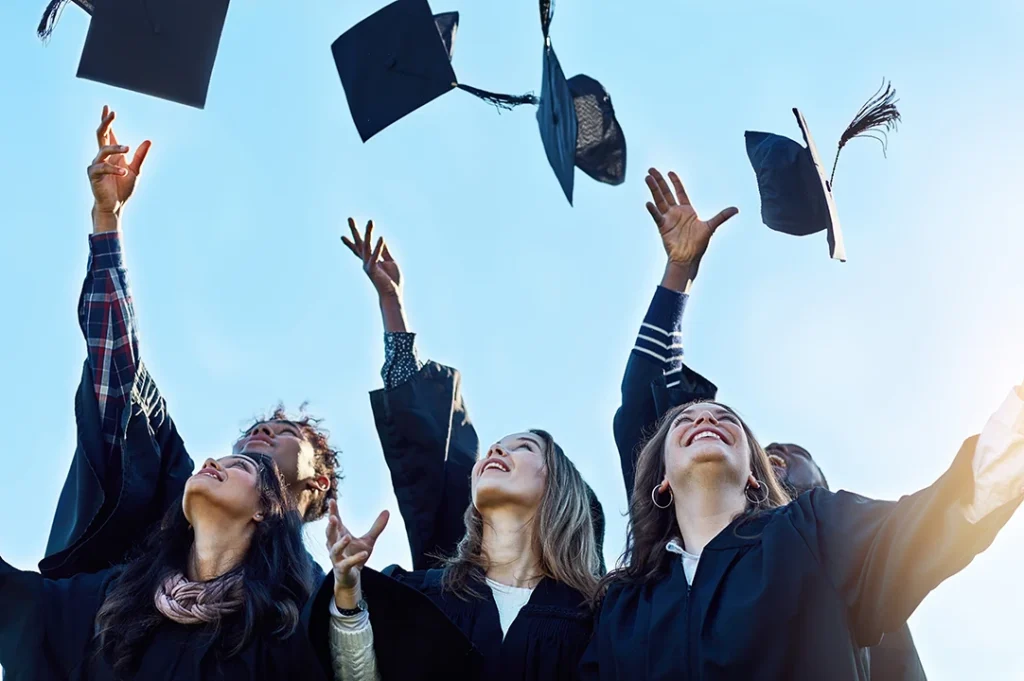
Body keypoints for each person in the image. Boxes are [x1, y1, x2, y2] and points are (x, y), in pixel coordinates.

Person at [613, 167, 926, 680]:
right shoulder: (662, 572)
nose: (775, 458)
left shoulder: (848, 567)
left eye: (792, 461)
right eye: (770, 452)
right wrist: (679, 275)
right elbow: (645, 415)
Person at [42, 106, 341, 581]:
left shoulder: (318, 602)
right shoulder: (176, 501)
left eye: (286, 434)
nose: (262, 432)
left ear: (316, 482)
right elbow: (118, 369)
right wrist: (106, 221)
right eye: (257, 428)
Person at [303, 221, 604, 681]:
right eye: (492, 450)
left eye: (521, 447)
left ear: (559, 486)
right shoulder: (426, 596)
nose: (494, 453)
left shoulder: (595, 613)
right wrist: (347, 593)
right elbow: (434, 442)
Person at [582, 392, 1024, 680]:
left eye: (724, 417)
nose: (705, 417)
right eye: (686, 419)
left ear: (754, 475)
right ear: (661, 479)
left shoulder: (813, 532)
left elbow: (926, 522)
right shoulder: (622, 604)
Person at [1, 452, 329, 681]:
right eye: (211, 461)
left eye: (239, 465)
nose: (211, 463)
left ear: (265, 510)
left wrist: (347, 596)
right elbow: (23, 604)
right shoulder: (118, 597)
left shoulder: (280, 623)